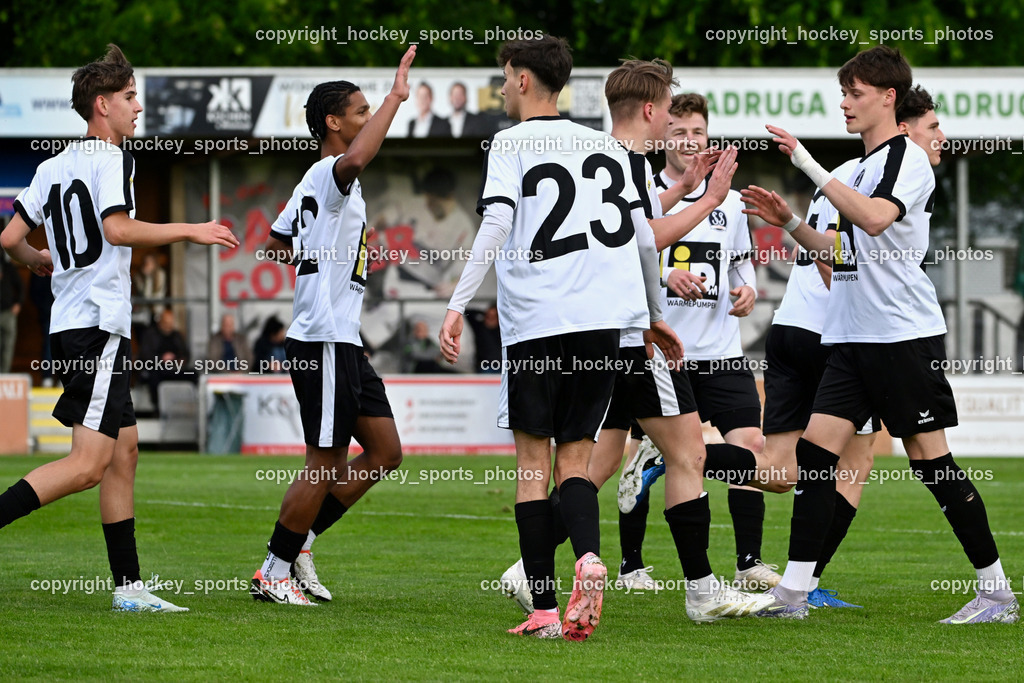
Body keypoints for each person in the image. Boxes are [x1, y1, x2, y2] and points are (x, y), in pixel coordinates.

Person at [440, 41, 718, 641]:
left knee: (531, 466)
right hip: (601, 325)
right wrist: (650, 314)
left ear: (519, 80)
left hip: (538, 321)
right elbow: (641, 241)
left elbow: (495, 223)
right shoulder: (604, 146)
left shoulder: (510, 144)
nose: (504, 87)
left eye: (504, 78)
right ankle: (591, 559)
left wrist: (457, 304)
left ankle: (542, 608)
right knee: (577, 460)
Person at [742, 46, 1018, 624]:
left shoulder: (908, 159)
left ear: (888, 98)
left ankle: (996, 593)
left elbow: (874, 219)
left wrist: (806, 163)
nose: (845, 103)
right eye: (844, 92)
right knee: (817, 458)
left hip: (900, 338)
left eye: (855, 93)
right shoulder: (862, 167)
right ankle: (793, 596)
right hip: (852, 339)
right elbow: (842, 253)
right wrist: (788, 221)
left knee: (930, 462)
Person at [496, 60, 773, 625]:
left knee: (586, 471)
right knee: (687, 452)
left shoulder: (607, 157)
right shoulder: (622, 163)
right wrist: (708, 199)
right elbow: (641, 238)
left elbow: (634, 224)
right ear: (651, 110)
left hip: (597, 331)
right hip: (632, 336)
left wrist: (682, 189)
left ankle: (530, 571)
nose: (674, 118)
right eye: (670, 108)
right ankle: (701, 592)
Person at [0, 43, 237, 612]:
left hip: (70, 328)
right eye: (131, 98)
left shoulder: (51, 167)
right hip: (98, 330)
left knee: (124, 451)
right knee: (86, 465)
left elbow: (10, 240)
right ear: (102, 104)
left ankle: (129, 589)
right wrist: (193, 229)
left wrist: (36, 260)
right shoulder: (114, 160)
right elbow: (118, 230)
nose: (138, 109)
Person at [249, 46, 416, 606]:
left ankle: (300, 545)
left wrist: (318, 255)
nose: (368, 119)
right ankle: (273, 569)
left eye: (374, 108)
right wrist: (396, 96)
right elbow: (357, 159)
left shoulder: (316, 184)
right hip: (321, 337)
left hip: (343, 338)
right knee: (324, 460)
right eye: (362, 111)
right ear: (333, 122)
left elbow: (271, 248)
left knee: (386, 452)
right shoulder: (330, 170)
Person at [615, 93, 782, 592]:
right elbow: (629, 255)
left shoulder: (728, 199)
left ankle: (749, 561)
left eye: (699, 133)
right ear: (664, 133)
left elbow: (739, 261)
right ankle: (631, 566)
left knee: (752, 449)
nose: (690, 142)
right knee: (633, 453)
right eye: (681, 131)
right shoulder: (644, 187)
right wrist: (668, 278)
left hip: (723, 352)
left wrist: (748, 287)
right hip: (666, 354)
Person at [138, 308, 193, 409]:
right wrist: (161, 359)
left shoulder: (177, 335)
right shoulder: (150, 334)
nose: (168, 326)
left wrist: (180, 360)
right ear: (160, 322)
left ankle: (189, 406)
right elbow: (145, 356)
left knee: (193, 374)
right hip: (156, 368)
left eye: (171, 323)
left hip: (174, 368)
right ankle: (158, 408)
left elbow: (186, 354)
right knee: (154, 377)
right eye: (166, 323)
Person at [0, 252, 24, 373]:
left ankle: (4, 375)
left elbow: (20, 286)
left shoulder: (9, 267)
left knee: (8, 346)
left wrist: (18, 303)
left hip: (8, 313)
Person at [465, 303, 501, 372]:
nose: (490, 319)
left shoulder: (502, 330)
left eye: (493, 317)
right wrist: (483, 313)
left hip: (501, 365)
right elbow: (468, 313)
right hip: (484, 365)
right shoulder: (480, 327)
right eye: (488, 316)